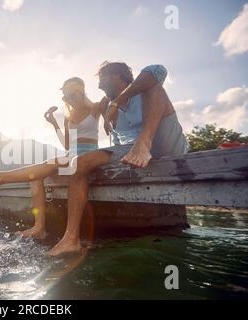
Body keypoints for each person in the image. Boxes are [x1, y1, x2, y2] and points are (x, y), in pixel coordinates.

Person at [48, 62, 189, 256]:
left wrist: (116, 102)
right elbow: (105, 140)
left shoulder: (143, 87)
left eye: (101, 80)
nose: (99, 86)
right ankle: (70, 239)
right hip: (128, 150)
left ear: (116, 75)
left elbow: (158, 71)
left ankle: (144, 142)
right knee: (78, 164)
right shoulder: (106, 104)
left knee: (155, 87)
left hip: (164, 144)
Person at [0, 77, 108, 239]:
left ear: (80, 91)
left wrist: (112, 107)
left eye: (71, 95)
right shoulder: (69, 117)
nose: (68, 100)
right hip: (70, 155)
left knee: (49, 164)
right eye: (65, 97)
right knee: (35, 176)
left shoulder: (95, 108)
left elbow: (112, 100)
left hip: (87, 154)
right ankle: (39, 227)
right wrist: (54, 123)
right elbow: (68, 145)